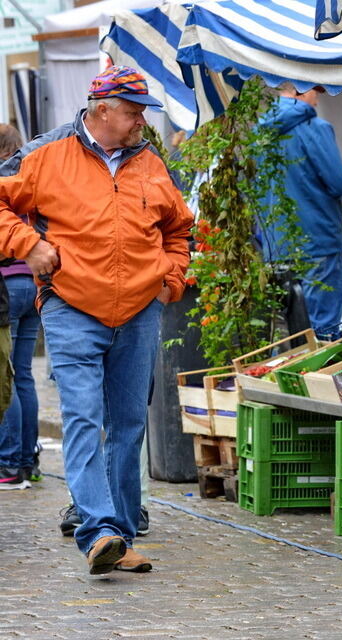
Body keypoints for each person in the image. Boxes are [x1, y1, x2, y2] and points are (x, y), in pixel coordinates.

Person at [0, 65, 192, 573]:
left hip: (138, 310)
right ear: (101, 110)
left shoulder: (152, 162)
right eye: (133, 113)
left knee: (129, 425)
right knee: (84, 418)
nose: (141, 123)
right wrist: (29, 245)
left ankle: (120, 534)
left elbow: (179, 228)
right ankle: (99, 529)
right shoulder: (46, 154)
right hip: (70, 305)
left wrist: (171, 279)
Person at [258, 83, 342, 336]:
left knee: (290, 335)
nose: (318, 99)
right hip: (317, 239)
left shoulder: (259, 133)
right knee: (323, 331)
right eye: (316, 91)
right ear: (300, 90)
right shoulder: (315, 128)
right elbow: (338, 182)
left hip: (276, 247)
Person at [0, 125, 24, 489]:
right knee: (22, 376)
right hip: (32, 281)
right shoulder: (29, 174)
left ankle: (8, 462)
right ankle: (23, 460)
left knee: (7, 378)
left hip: (8, 283)